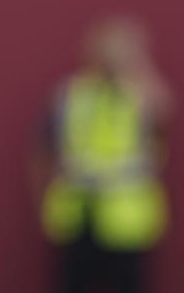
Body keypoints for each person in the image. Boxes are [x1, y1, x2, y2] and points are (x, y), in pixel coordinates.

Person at [32, 15, 173, 293]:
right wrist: (41, 199)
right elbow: (42, 150)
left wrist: (136, 61)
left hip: (125, 220)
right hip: (76, 217)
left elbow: (164, 111)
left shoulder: (139, 92)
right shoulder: (72, 93)